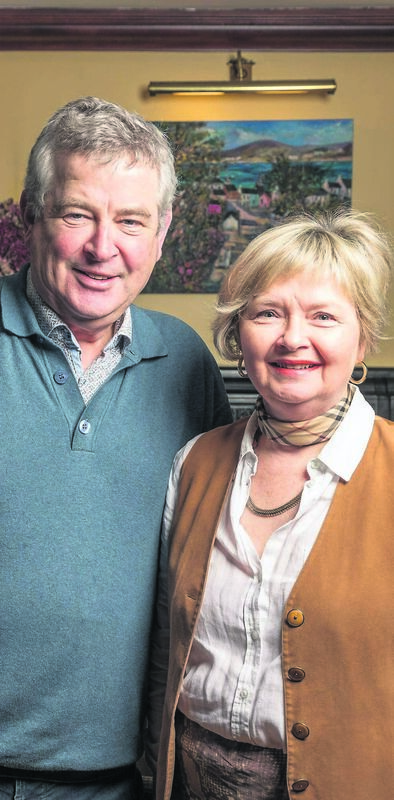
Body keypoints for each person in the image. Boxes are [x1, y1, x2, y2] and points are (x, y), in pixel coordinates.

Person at [0, 96, 232, 800]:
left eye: (131, 221)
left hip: (127, 778)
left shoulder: (186, 363)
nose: (105, 247)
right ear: (30, 216)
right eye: (78, 214)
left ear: (162, 234)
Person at [147, 208, 394, 800]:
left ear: (362, 337)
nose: (292, 337)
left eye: (323, 316)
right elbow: (164, 648)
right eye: (268, 313)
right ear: (239, 335)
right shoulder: (194, 462)